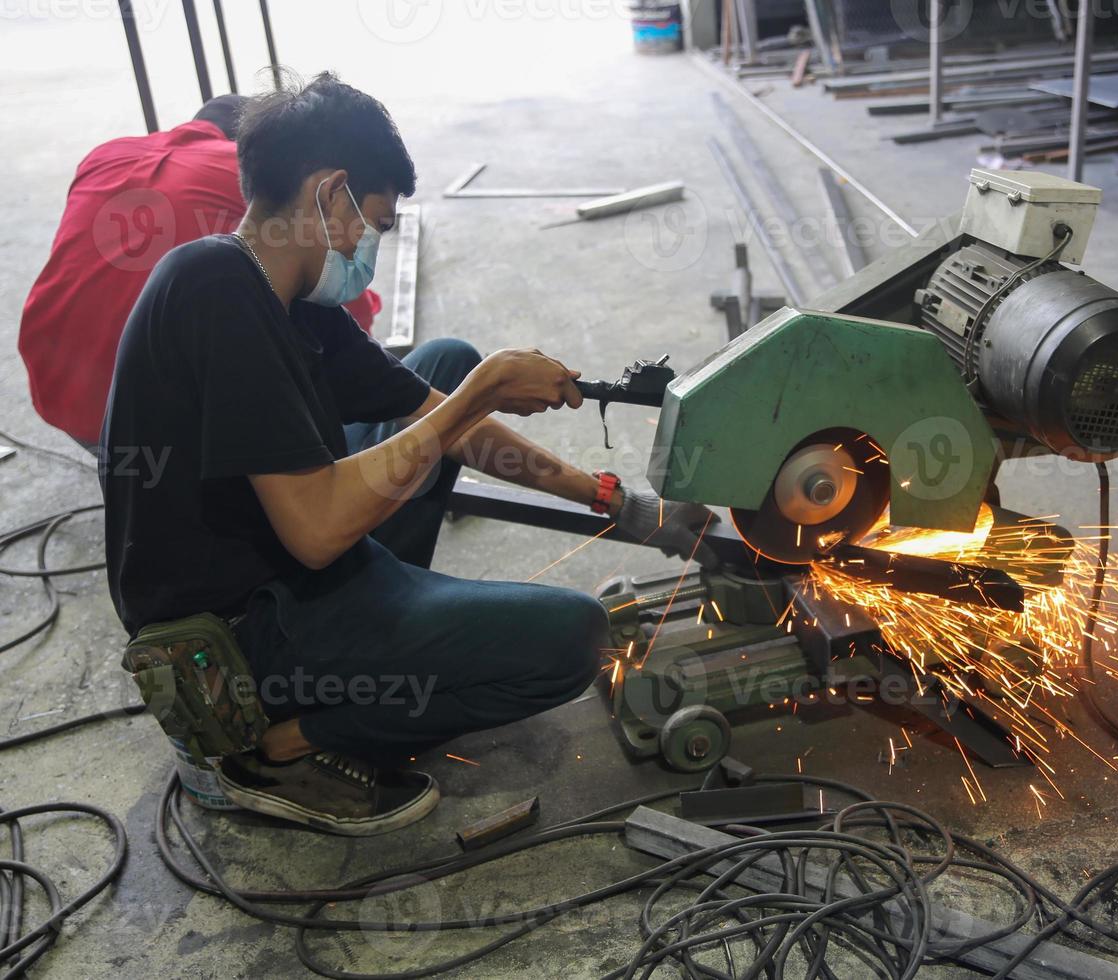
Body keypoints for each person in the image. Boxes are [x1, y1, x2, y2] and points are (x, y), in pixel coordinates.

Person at [101, 73, 715, 836]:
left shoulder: (289, 299)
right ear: (330, 195)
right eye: (373, 223)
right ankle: (274, 748)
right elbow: (319, 530)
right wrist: (483, 390)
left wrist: (618, 502)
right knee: (574, 639)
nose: (366, 246)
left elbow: (440, 417)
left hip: (279, 560)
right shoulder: (215, 293)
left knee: (445, 363)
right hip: (234, 636)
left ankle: (394, 638)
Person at [18, 95, 379, 451]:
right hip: (158, 420)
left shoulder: (105, 155)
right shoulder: (257, 173)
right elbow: (342, 295)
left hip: (60, 389)